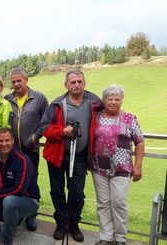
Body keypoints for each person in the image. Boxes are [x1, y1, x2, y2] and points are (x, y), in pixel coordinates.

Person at [40, 69, 103, 242]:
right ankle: (61, 223)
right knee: (58, 191)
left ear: (85, 83)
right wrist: (63, 131)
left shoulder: (94, 103)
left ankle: (73, 223)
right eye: (73, 82)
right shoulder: (57, 104)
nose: (76, 85)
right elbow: (44, 128)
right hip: (57, 156)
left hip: (81, 156)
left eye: (79, 81)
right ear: (66, 85)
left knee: (76, 193)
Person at [91, 85, 144, 245]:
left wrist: (138, 165)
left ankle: (120, 238)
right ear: (104, 100)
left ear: (121, 101)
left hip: (122, 169)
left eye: (117, 99)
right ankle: (106, 237)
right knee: (103, 203)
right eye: (110, 99)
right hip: (98, 167)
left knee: (119, 203)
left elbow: (139, 142)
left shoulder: (129, 118)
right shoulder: (96, 117)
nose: (113, 102)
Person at [4, 67, 48, 231]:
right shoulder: (7, 99)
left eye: (19, 81)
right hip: (12, 151)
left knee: (31, 182)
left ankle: (31, 215)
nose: (16, 84)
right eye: (13, 82)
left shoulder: (39, 98)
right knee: (14, 182)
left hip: (31, 150)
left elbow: (46, 121)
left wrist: (35, 138)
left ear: (26, 80)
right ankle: (17, 214)